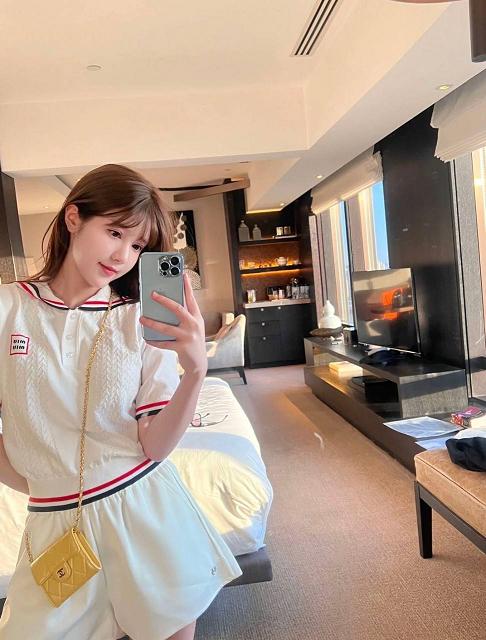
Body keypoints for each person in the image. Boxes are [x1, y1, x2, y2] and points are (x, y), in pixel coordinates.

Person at [0, 164, 242, 640]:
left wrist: (196, 372)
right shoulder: (9, 308)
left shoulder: (140, 321)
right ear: (73, 218)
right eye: (114, 232)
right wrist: (46, 485)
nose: (122, 256)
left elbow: (156, 445)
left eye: (137, 246)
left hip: (145, 509)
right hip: (54, 523)